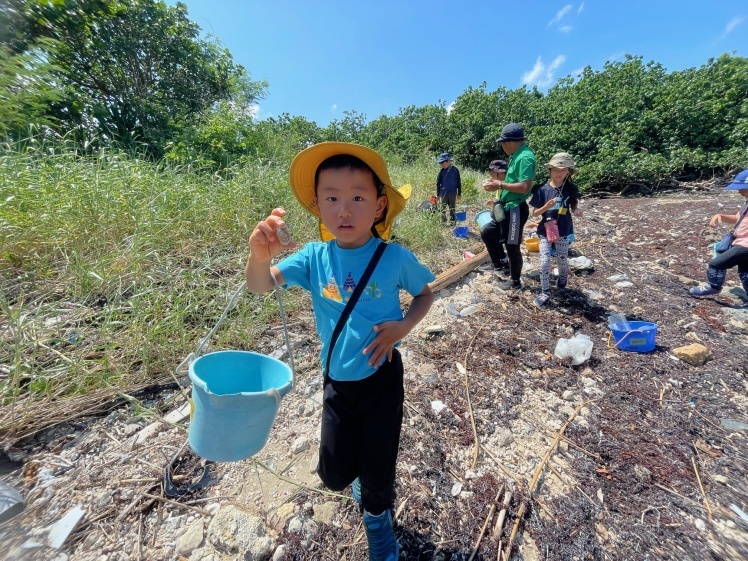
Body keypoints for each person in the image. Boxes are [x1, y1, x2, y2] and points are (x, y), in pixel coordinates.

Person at [245, 142, 435, 560]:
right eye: (331, 198)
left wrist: (403, 326)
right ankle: (357, 484)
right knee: (333, 475)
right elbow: (260, 285)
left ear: (380, 205)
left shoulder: (393, 257)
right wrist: (258, 255)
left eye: (357, 198)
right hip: (336, 381)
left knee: (379, 464)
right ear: (317, 204)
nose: (344, 210)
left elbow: (425, 293)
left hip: (382, 376)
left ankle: (377, 521)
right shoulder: (314, 257)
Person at [480, 123, 536, 291]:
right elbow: (512, 181)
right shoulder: (516, 156)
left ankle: (515, 281)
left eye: (502, 143)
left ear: (509, 142)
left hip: (515, 208)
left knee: (512, 246)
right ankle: (499, 263)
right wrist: (497, 185)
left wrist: (499, 185)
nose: (503, 147)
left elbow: (525, 187)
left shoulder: (525, 157)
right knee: (488, 232)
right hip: (506, 208)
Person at [529, 152, 582, 308]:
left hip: (564, 230)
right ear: (550, 171)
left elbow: (573, 204)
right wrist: (547, 206)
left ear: (568, 172)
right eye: (555, 170)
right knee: (544, 262)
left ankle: (562, 280)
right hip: (545, 230)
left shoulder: (571, 188)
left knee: (562, 261)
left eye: (563, 170)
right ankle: (545, 291)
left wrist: (577, 210)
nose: (559, 173)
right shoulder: (542, 190)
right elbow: (535, 213)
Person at [689, 169, 748, 306]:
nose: (739, 192)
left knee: (717, 264)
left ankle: (714, 286)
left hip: (745, 245)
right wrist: (720, 216)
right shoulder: (746, 204)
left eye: (742, 189)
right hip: (741, 242)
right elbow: (738, 218)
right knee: (745, 272)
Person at [478, 159, 510, 273]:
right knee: (488, 234)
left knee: (498, 238)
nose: (491, 176)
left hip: (507, 216)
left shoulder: (507, 184)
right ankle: (499, 263)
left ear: (502, 172)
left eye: (493, 173)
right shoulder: (499, 184)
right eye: (490, 173)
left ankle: (504, 265)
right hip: (499, 215)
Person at [436, 152, 462, 224]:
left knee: (452, 208)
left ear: (448, 161)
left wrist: (459, 193)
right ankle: (443, 222)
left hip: (452, 193)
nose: (441, 165)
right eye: (440, 163)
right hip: (443, 193)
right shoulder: (441, 172)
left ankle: (452, 222)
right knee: (442, 209)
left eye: (443, 163)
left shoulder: (455, 170)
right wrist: (438, 194)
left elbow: (458, 182)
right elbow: (438, 183)